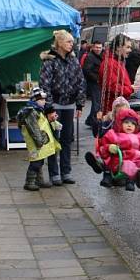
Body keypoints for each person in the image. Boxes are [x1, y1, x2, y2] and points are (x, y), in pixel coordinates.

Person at [39, 29, 86, 185]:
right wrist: (49, 108)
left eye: (72, 42)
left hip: (69, 104)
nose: (71, 44)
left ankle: (66, 171)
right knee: (54, 140)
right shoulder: (50, 61)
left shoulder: (74, 61)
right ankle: (54, 173)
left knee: (67, 139)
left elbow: (80, 82)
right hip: (56, 104)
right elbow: (44, 86)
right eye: (68, 41)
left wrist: (80, 103)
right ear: (59, 43)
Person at [93, 107, 140, 191]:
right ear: (120, 123)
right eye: (126, 122)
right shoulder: (114, 134)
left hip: (138, 160)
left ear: (136, 126)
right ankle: (131, 181)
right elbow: (103, 145)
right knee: (129, 164)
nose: (129, 125)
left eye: (133, 124)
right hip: (121, 161)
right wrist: (110, 147)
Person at [17, 88, 61, 191]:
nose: (44, 102)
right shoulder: (31, 112)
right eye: (41, 100)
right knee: (35, 162)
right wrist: (39, 141)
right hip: (35, 142)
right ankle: (29, 182)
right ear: (34, 100)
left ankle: (39, 180)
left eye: (44, 100)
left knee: (40, 161)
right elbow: (34, 129)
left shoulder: (38, 110)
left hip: (39, 141)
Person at [99, 34, 134, 117]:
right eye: (128, 47)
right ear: (118, 47)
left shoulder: (117, 62)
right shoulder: (110, 63)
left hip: (118, 107)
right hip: (112, 109)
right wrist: (130, 89)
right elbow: (112, 87)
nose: (130, 50)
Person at [82, 40, 104, 129]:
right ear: (93, 47)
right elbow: (87, 70)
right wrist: (97, 79)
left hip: (97, 82)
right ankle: (93, 121)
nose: (98, 49)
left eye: (100, 47)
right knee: (97, 103)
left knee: (97, 103)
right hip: (94, 83)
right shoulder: (90, 57)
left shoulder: (99, 56)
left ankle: (91, 120)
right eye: (97, 47)